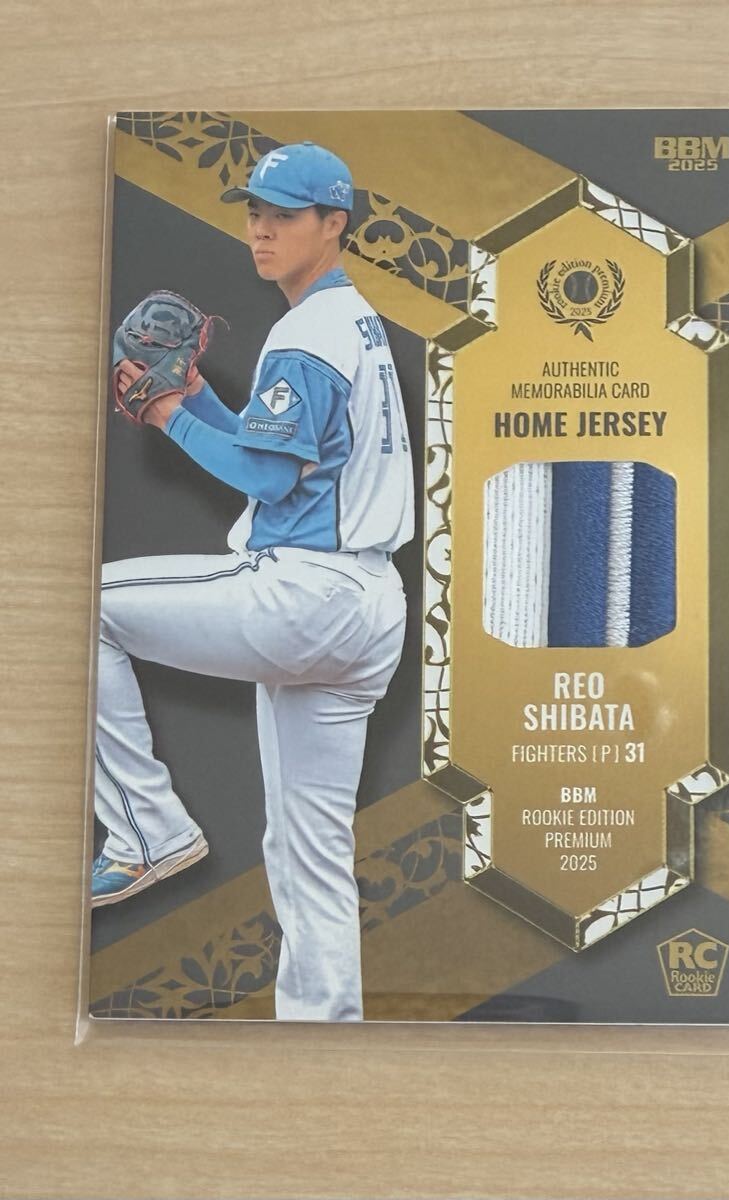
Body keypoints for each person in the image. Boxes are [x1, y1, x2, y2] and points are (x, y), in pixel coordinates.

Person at [92, 142, 415, 1021]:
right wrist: (197, 398)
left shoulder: (305, 333)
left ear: (334, 223)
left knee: (83, 614)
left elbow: (268, 480)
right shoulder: (353, 322)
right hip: (369, 613)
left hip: (307, 596)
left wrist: (166, 413)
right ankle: (324, 1035)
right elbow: (289, 455)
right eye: (254, 212)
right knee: (310, 850)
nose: (262, 230)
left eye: (285, 214)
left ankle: (149, 830)